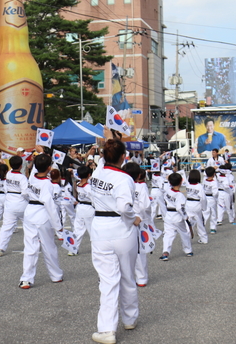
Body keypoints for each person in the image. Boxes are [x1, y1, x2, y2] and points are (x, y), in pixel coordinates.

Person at [88, 138, 141, 344]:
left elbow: (103, 160)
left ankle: (107, 329)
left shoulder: (97, 172)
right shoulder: (124, 178)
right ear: (123, 157)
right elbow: (124, 207)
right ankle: (130, 318)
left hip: (100, 228)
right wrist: (133, 219)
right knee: (128, 275)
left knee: (108, 281)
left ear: (102, 156)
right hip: (122, 229)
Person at [18, 153, 64, 289]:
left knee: (30, 246)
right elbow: (50, 206)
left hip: (30, 212)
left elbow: (25, 193)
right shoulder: (48, 184)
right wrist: (58, 227)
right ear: (49, 168)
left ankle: (26, 279)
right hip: (42, 214)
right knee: (48, 246)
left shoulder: (32, 178)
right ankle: (56, 275)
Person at [0, 156, 28, 257]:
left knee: (6, 226)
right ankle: (31, 245)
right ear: (21, 166)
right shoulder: (22, 177)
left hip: (9, 202)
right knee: (29, 226)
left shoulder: (8, 174)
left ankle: (0, 248)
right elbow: (25, 193)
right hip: (21, 202)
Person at [123, 163, 152, 287]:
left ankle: (126, 276)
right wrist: (147, 218)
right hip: (138, 219)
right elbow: (145, 205)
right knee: (139, 250)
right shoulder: (141, 186)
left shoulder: (122, 184)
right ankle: (141, 278)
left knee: (124, 248)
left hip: (124, 218)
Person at [159, 172, 192, 261]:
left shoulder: (167, 191)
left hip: (169, 215)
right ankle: (188, 250)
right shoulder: (179, 195)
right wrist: (185, 217)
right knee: (184, 233)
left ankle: (165, 251)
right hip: (177, 216)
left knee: (168, 234)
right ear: (181, 182)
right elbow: (180, 208)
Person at [71, 165, 94, 253]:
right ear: (89, 174)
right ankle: (96, 249)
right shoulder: (87, 186)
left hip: (80, 207)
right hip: (88, 208)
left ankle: (73, 248)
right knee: (91, 230)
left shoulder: (78, 184)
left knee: (78, 228)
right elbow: (93, 198)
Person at [184, 169, 209, 244]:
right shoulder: (199, 186)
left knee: (188, 222)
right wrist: (204, 207)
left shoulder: (187, 185)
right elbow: (203, 198)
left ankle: (187, 238)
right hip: (197, 204)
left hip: (188, 203)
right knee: (200, 222)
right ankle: (204, 238)